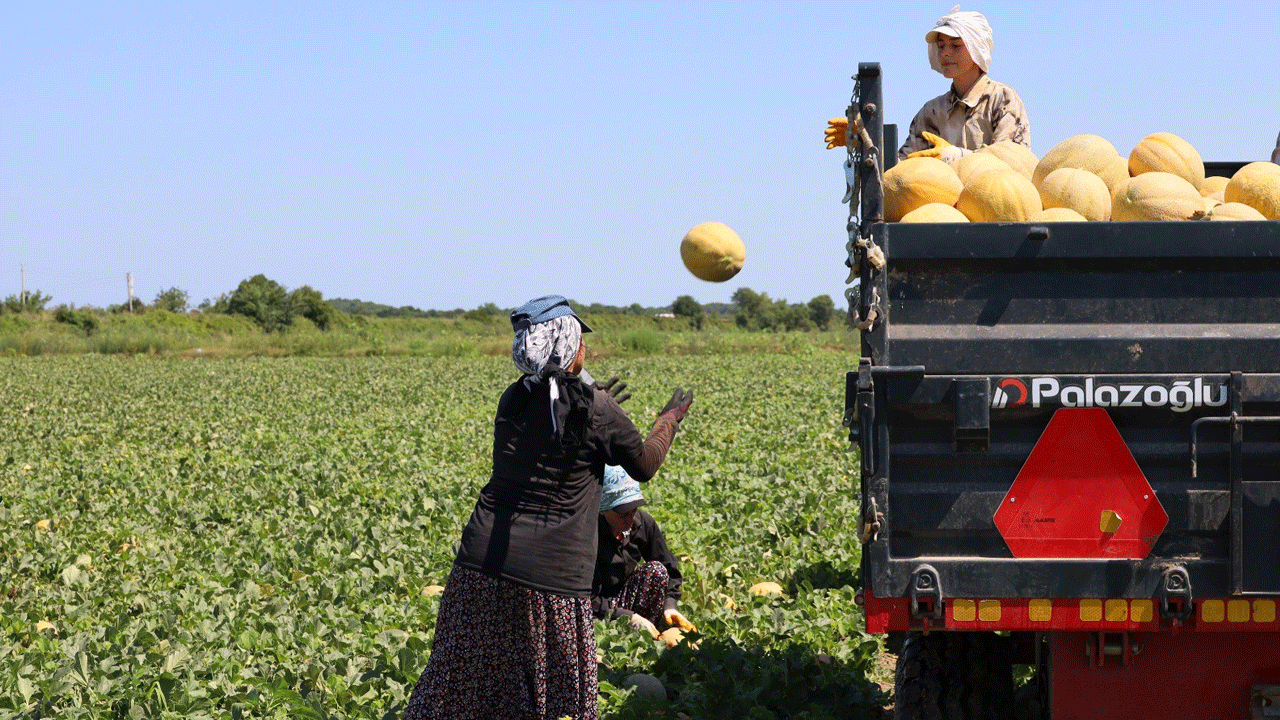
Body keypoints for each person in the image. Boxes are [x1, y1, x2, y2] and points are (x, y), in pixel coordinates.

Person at [402, 295, 694, 720]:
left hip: (481, 565)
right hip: (551, 579)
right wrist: (667, 420)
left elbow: (550, 438)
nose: (586, 351)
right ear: (569, 347)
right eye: (582, 343)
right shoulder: (595, 407)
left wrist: (591, 403)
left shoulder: (513, 398)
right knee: (552, 699)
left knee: (463, 687)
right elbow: (644, 464)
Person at [824, 6, 1031, 163]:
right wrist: (866, 143)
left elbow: (1012, 163)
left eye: (955, 45)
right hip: (938, 217)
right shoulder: (932, 112)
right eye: (941, 46)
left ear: (977, 49)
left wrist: (956, 155)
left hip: (994, 217)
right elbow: (904, 169)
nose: (945, 53)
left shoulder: (1002, 99)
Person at [592, 466, 696, 643]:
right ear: (603, 509)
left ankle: (649, 633)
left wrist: (670, 606)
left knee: (657, 570)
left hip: (627, 597)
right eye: (622, 513)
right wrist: (628, 616)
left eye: (633, 510)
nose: (630, 518)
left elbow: (670, 570)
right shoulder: (590, 534)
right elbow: (586, 598)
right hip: (598, 612)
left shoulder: (643, 523)